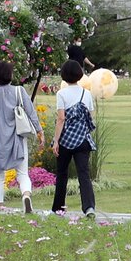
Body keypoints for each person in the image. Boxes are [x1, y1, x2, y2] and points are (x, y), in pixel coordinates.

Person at [0, 60, 43, 213]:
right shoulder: (18, 91)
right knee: (22, 173)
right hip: (17, 140)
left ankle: (0, 205)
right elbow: (31, 112)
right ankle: (26, 196)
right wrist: (39, 131)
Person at [51, 59, 97, 216]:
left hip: (65, 140)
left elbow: (61, 119)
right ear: (79, 75)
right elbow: (90, 117)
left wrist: (56, 141)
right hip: (83, 139)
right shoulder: (87, 94)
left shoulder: (61, 94)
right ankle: (89, 207)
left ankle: (59, 208)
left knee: (62, 174)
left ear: (63, 75)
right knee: (84, 174)